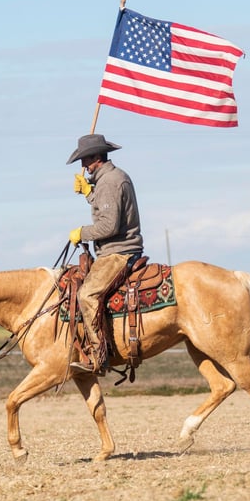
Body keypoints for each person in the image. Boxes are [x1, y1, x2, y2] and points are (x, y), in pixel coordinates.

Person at [67, 133, 144, 374]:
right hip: (115, 250)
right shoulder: (108, 180)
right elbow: (106, 210)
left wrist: (82, 232)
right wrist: (89, 194)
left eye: (86, 160)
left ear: (97, 157)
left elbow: (108, 226)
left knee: (87, 295)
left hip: (118, 252)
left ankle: (98, 355)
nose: (83, 166)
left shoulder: (110, 181)